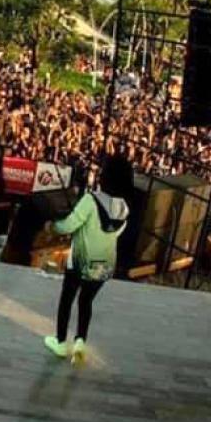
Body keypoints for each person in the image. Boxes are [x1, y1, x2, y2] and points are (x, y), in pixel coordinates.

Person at [43, 155, 132, 363]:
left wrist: (52, 227)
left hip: (80, 261)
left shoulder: (90, 200)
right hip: (105, 266)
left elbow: (68, 225)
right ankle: (81, 341)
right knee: (86, 301)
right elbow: (114, 234)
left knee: (67, 298)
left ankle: (61, 342)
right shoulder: (124, 208)